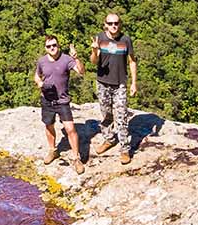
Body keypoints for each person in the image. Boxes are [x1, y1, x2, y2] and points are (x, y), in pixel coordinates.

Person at [90, 12, 138, 165]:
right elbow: (93, 61)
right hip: (103, 82)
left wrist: (134, 83)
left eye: (116, 23)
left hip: (120, 83)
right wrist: (93, 50)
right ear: (105, 24)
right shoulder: (100, 38)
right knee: (106, 114)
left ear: (120, 24)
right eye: (110, 23)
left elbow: (132, 62)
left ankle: (124, 149)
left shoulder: (125, 40)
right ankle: (109, 139)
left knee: (122, 115)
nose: (113, 26)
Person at [34, 34, 85, 174]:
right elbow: (37, 75)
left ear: (58, 45)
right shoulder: (42, 61)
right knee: (49, 125)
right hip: (47, 99)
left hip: (62, 100)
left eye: (54, 45)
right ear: (45, 48)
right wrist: (39, 82)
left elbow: (81, 72)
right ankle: (53, 150)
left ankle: (76, 158)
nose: (52, 48)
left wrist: (76, 58)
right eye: (49, 46)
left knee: (70, 129)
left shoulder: (67, 59)